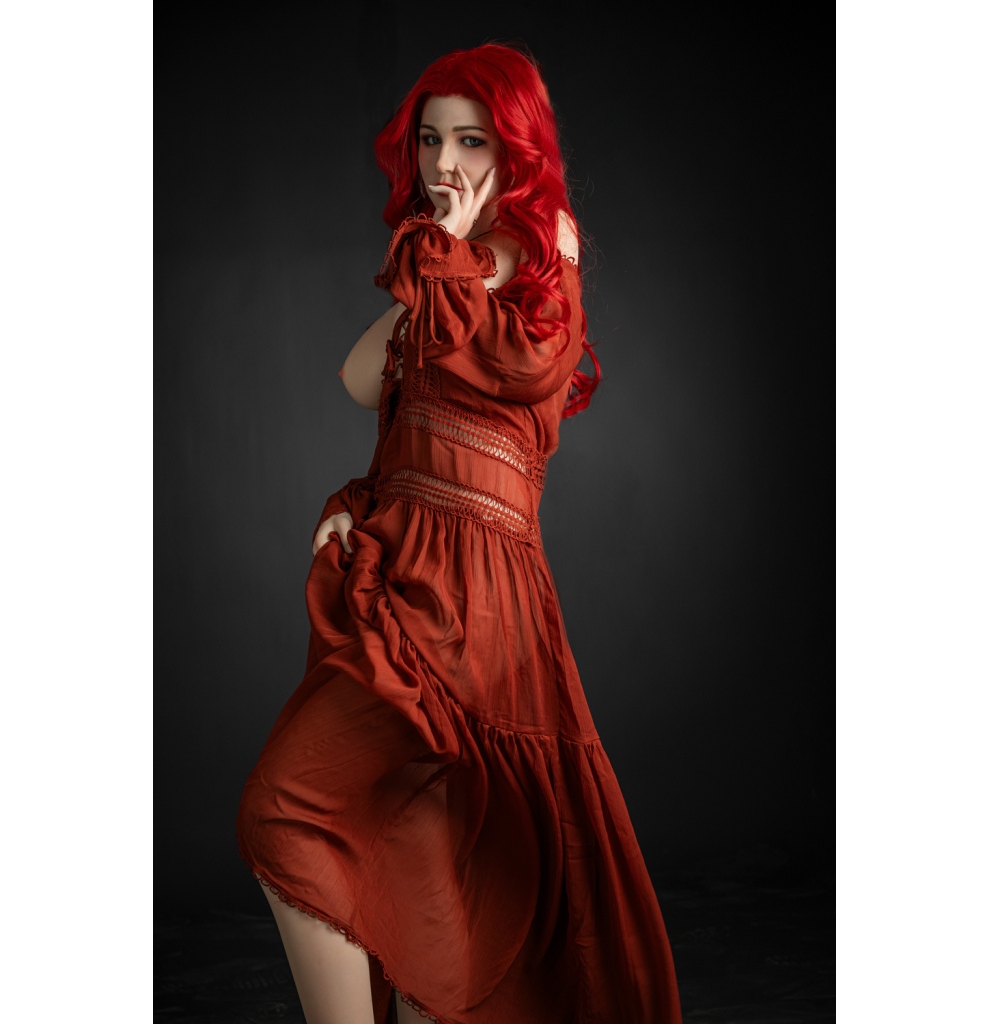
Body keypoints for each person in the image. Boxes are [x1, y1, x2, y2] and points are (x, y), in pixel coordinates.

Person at [237, 43, 682, 1024]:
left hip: (478, 603)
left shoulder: (541, 251)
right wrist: (366, 500)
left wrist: (444, 247)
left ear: (518, 150)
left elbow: (471, 321)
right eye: (431, 140)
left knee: (412, 838)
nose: (444, 163)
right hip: (404, 577)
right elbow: (364, 381)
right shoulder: (443, 285)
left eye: (472, 141)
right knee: (362, 827)